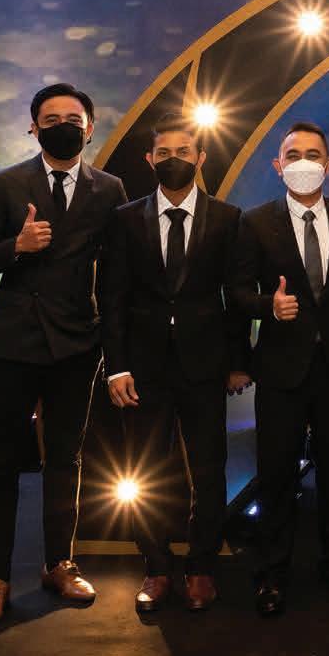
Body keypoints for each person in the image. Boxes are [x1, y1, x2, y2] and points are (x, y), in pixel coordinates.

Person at [0, 82, 127, 626]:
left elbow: (119, 272)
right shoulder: (8, 182)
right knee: (2, 465)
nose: (63, 126)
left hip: (77, 344)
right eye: (51, 119)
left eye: (73, 118)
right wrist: (17, 246)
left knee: (66, 460)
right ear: (33, 127)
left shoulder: (110, 189)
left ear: (90, 127)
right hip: (13, 343)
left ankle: (60, 563)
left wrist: (114, 347)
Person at [226, 121, 329, 617]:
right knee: (276, 474)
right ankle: (272, 573)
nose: (304, 162)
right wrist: (267, 307)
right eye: (293, 154)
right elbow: (237, 293)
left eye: (313, 154)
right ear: (278, 165)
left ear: (328, 165)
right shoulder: (255, 222)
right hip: (280, 369)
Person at [97, 114, 248, 613]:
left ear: (200, 158)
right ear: (150, 159)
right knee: (143, 472)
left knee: (209, 471)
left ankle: (201, 567)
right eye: (164, 153)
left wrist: (239, 362)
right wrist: (116, 366)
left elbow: (236, 298)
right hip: (142, 369)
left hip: (206, 365)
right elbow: (112, 298)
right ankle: (157, 567)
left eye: (184, 152)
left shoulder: (227, 218)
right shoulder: (124, 219)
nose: (173, 160)